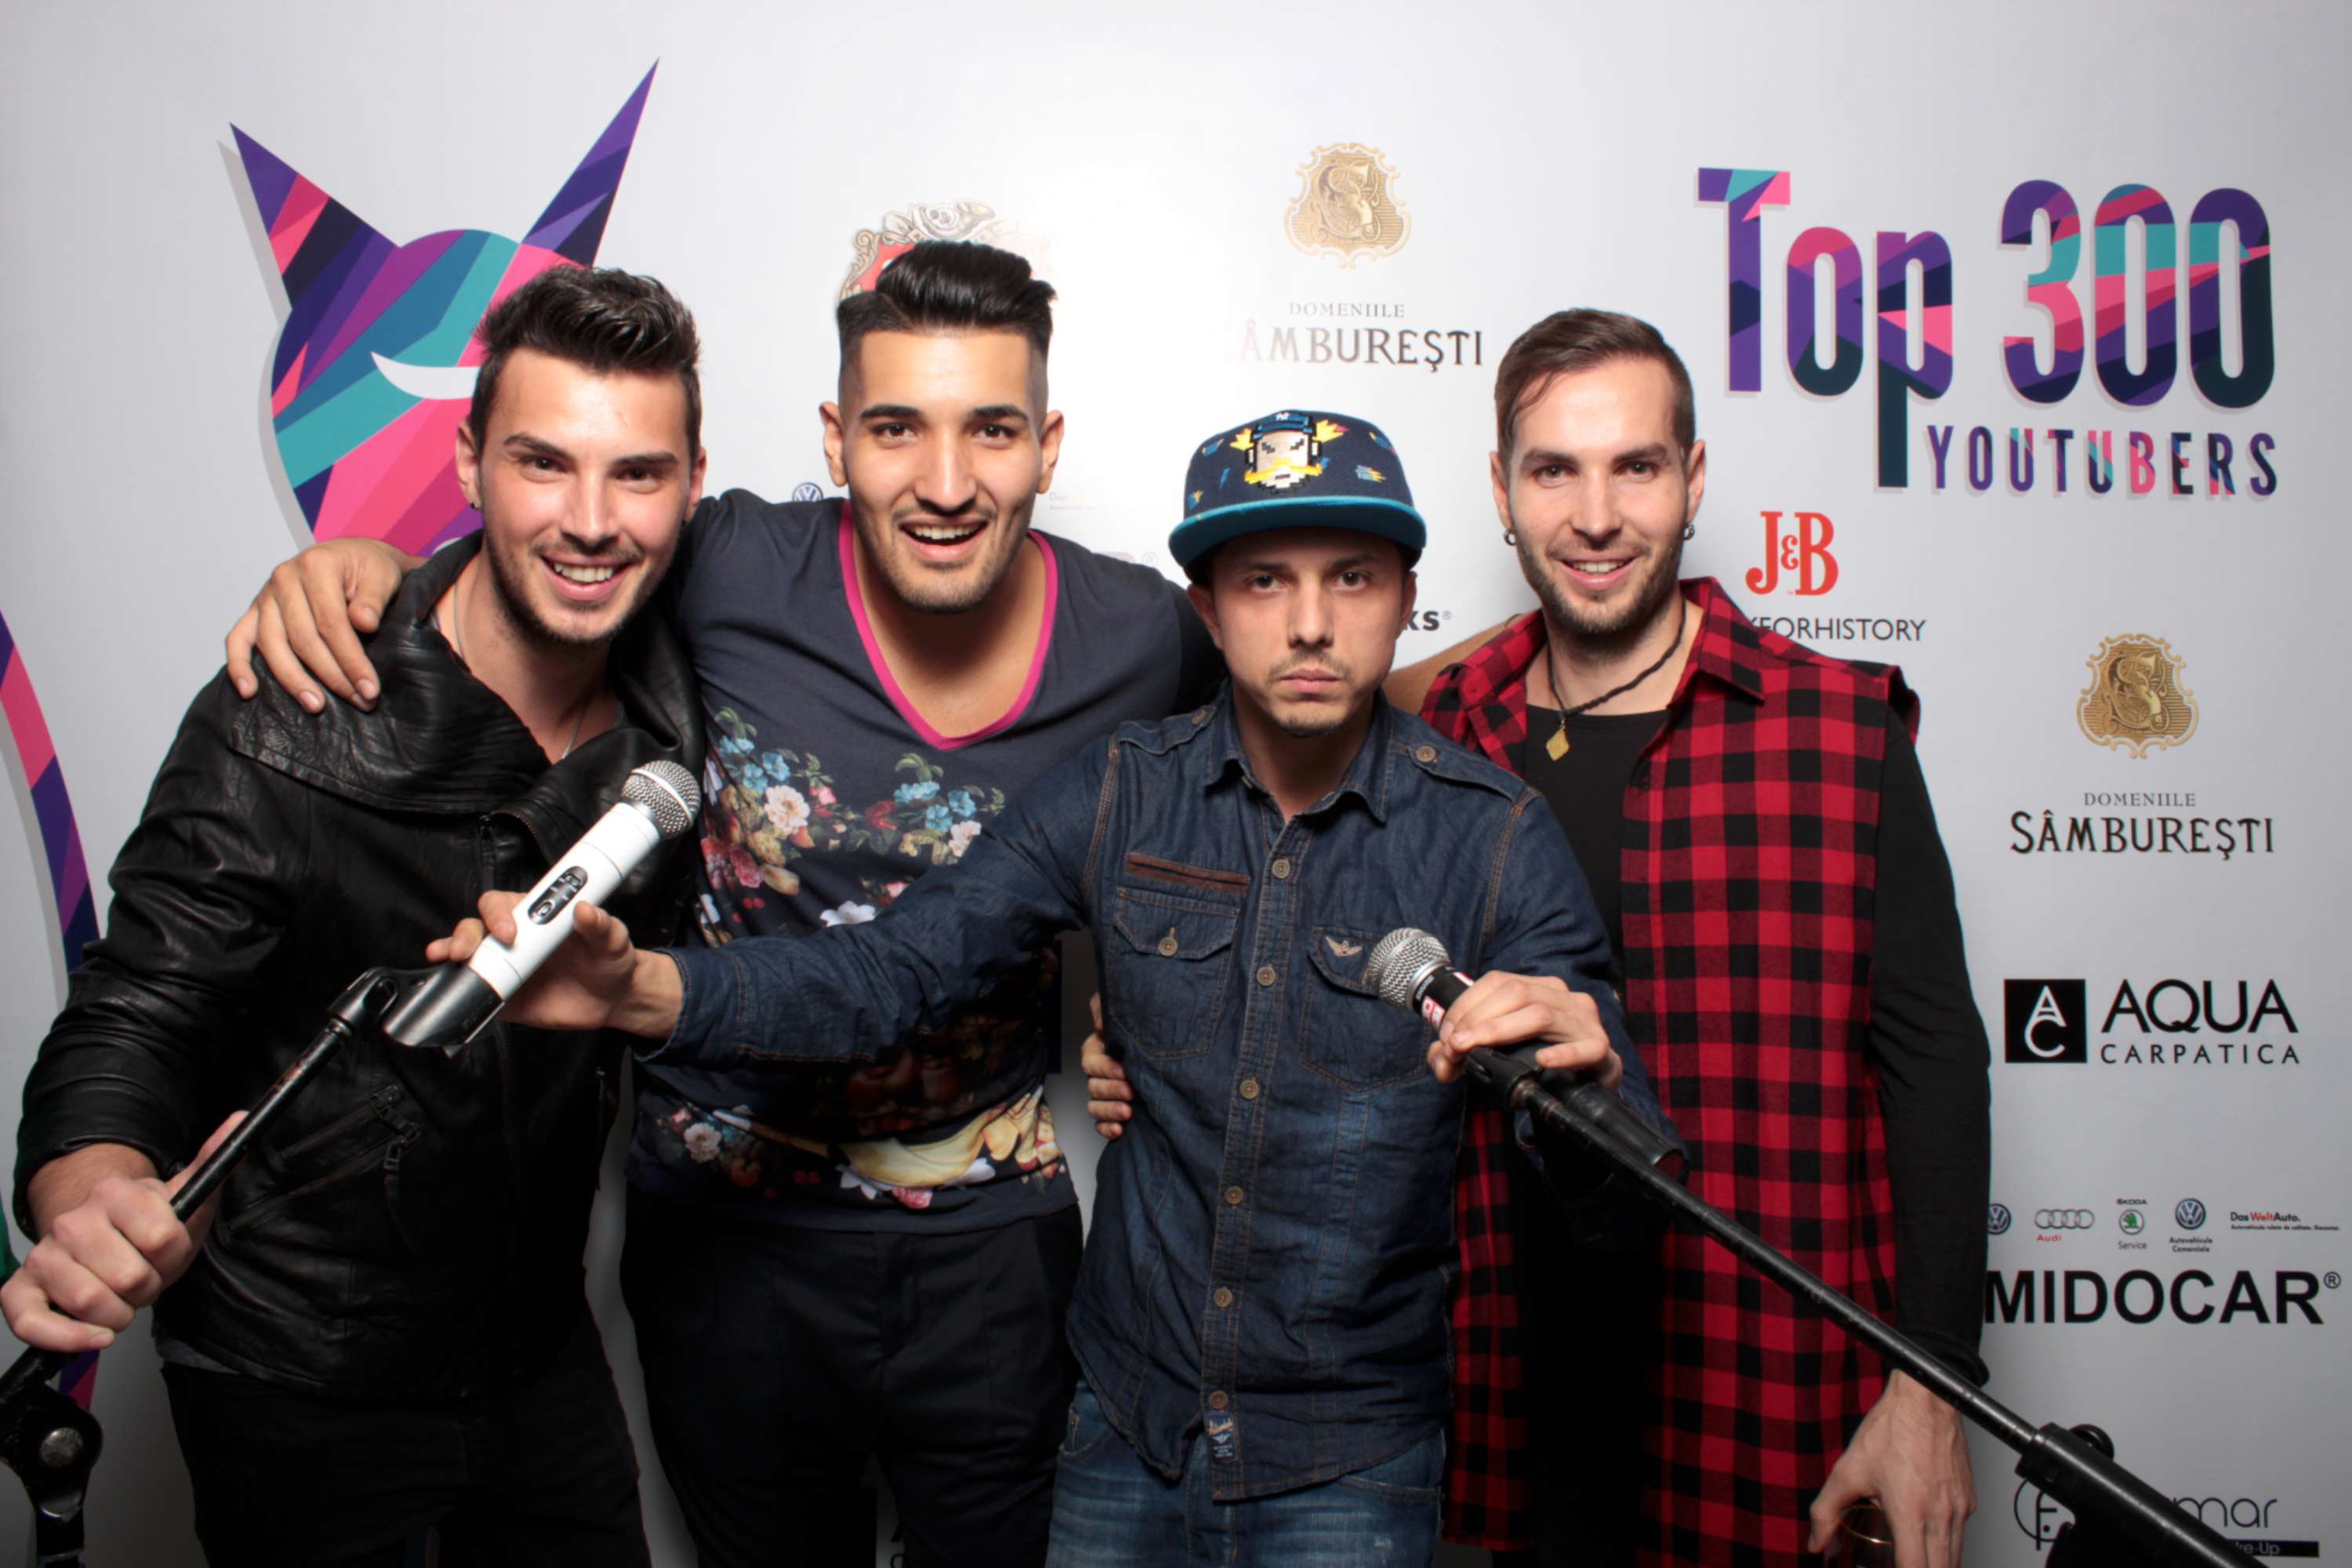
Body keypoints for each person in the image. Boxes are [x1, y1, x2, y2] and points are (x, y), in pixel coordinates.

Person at [429, 408, 1680, 1566]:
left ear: (1405, 598)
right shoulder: (1121, 789)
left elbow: (1623, 1209)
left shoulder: (1493, 837)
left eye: (1351, 578)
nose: (1309, 623)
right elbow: (894, 974)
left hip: (1348, 1462)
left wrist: (1586, 1090)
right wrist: (647, 994)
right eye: (1264, 581)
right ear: (1207, 610)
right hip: (1121, 1432)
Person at [223, 241, 1247, 1568]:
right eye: (896, 428)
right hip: (729, 1231)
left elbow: (1304, 712)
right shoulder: (728, 566)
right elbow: (545, 562)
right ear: (836, 437)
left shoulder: (1143, 635)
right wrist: (367, 569)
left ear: (1047, 448)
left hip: (991, 1240)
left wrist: (1163, 1000)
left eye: (992, 430)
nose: (945, 483)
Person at [5, 264, 709, 1566]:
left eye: (639, 474)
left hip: (537, 1355)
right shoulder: (297, 698)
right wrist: (95, 1191)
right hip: (292, 1368)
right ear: (470, 461)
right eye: (542, 463)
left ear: (693, 483)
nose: (591, 521)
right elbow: (136, 1011)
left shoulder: (678, 701)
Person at [1409, 310, 1989, 1568]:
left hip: (1765, 1398)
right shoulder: (1450, 724)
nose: (1596, 516)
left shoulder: (1837, 730)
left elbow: (1936, 1072)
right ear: (1501, 491)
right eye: (1554, 470)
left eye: (1637, 466)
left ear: (1694, 478)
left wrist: (1934, 1389)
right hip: (1509, 1400)